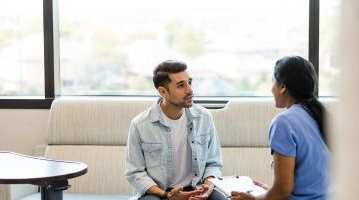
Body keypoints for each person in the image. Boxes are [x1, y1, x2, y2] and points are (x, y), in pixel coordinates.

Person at [231, 56, 330, 200]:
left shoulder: (284, 123)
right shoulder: (322, 115)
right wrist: (270, 193)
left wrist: (253, 199)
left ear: (283, 87)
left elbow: (283, 190)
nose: (272, 89)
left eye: (273, 82)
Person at [125, 60, 227, 200]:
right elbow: (135, 173)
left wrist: (207, 191)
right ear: (163, 91)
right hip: (160, 193)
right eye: (181, 85)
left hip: (197, 188)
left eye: (190, 82)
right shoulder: (140, 125)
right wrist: (167, 195)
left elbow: (213, 163)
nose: (190, 90)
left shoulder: (204, 117)